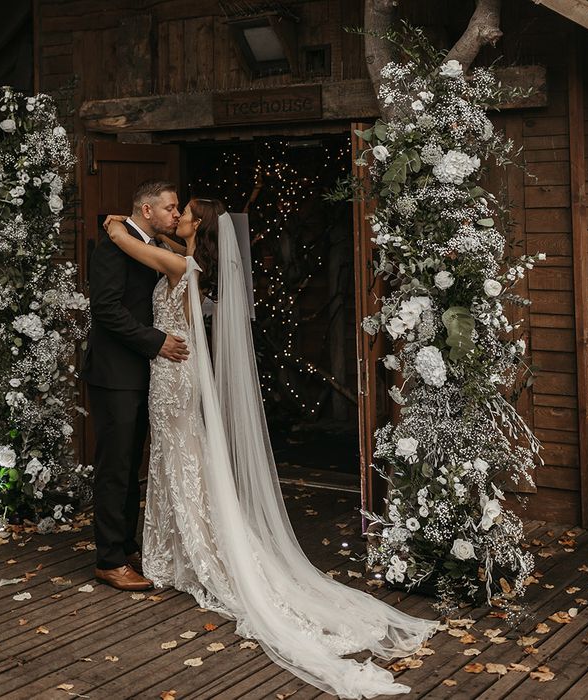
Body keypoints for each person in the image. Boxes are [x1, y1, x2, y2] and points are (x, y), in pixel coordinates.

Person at [103, 199, 438, 698]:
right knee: (181, 460)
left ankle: (190, 553)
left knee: (179, 459)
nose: (179, 218)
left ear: (200, 227)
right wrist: (160, 233)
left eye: (186, 214)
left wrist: (114, 227)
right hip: (178, 373)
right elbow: (166, 246)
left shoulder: (179, 264)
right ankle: (174, 551)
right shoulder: (188, 260)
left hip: (173, 377)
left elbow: (131, 243)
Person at [81, 180, 188, 592]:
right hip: (115, 374)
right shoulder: (112, 247)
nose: (176, 214)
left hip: (144, 374)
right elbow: (105, 309)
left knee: (131, 464)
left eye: (179, 209)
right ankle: (108, 560)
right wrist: (156, 341)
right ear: (146, 210)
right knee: (115, 465)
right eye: (170, 207)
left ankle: (125, 545)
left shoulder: (143, 244)